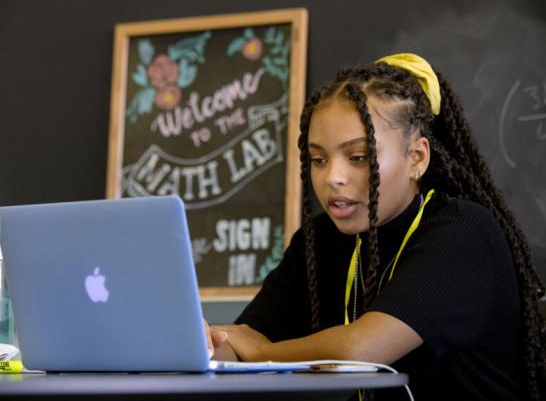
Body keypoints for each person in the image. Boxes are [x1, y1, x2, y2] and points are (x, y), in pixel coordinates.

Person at [204, 53, 546, 400]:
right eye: (319, 159)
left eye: (358, 157)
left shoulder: (462, 233)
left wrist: (262, 354)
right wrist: (207, 345)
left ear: (417, 158)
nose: (332, 178)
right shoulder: (317, 242)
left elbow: (359, 350)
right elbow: (241, 340)